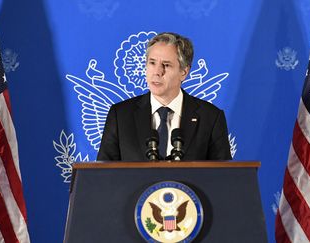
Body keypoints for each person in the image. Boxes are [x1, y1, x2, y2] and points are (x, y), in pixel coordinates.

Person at [97, 32, 232, 161]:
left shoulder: (211, 118)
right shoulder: (120, 115)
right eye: (152, 63)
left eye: (166, 65)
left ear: (184, 72)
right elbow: (102, 176)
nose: (157, 72)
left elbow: (222, 178)